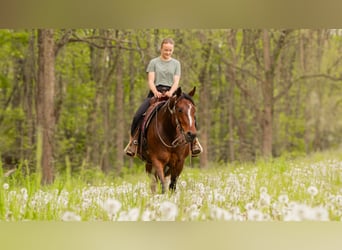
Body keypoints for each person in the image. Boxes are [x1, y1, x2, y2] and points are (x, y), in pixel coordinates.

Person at [124, 38, 203, 157]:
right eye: (166, 50)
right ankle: (133, 142)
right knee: (137, 115)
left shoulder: (176, 64)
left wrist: (171, 92)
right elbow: (150, 80)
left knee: (189, 114)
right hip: (156, 92)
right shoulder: (154, 62)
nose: (168, 52)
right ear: (161, 49)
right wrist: (155, 91)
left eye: (170, 50)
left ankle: (194, 143)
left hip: (173, 93)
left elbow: (176, 81)